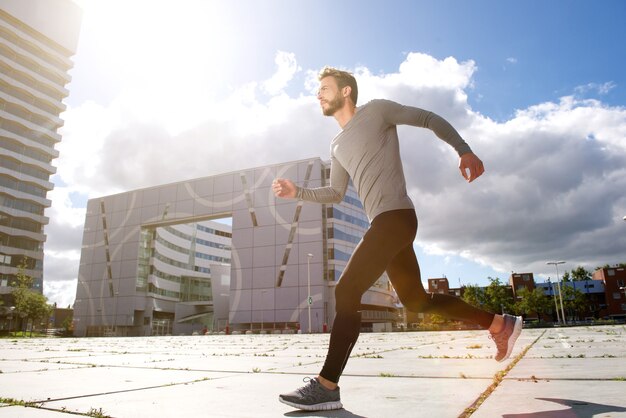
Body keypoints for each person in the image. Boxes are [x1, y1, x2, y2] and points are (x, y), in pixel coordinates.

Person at [273, 66, 522, 412]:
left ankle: (327, 385)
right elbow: (336, 192)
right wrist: (297, 191)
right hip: (386, 223)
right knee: (417, 302)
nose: (319, 94)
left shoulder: (376, 110)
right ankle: (499, 323)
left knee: (346, 291)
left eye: (325, 88)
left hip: (396, 218)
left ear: (346, 92)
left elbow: (427, 117)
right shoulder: (337, 144)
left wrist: (463, 149)